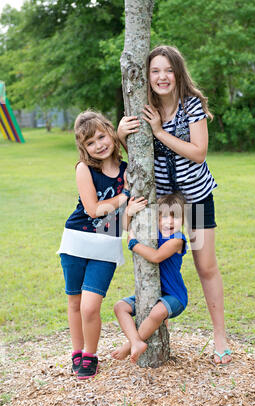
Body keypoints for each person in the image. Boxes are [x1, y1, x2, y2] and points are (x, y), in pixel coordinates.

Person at [117, 45, 231, 364]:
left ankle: (219, 335)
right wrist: (119, 134)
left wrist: (159, 132)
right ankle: (156, 320)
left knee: (205, 266)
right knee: (161, 262)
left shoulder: (190, 105)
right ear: (147, 75)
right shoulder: (144, 106)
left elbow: (198, 152)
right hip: (164, 203)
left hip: (194, 199)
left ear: (177, 72)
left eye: (168, 70)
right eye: (155, 70)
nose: (162, 76)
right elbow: (134, 157)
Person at [57, 110, 147, 379]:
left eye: (101, 137)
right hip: (75, 240)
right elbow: (94, 209)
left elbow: (125, 218)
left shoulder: (129, 170)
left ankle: (90, 354)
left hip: (106, 245)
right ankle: (77, 351)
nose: (99, 145)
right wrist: (125, 197)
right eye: (90, 143)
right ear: (83, 148)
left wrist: (128, 211)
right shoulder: (84, 169)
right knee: (74, 302)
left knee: (90, 306)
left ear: (111, 133)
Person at [112, 192, 188, 364]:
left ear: (183, 220)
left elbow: (156, 256)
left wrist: (134, 245)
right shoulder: (152, 234)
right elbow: (127, 227)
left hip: (175, 296)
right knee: (120, 307)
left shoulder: (178, 239)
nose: (169, 222)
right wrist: (129, 212)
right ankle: (136, 341)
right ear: (157, 219)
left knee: (157, 312)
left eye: (175, 217)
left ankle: (128, 346)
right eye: (164, 217)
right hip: (152, 294)